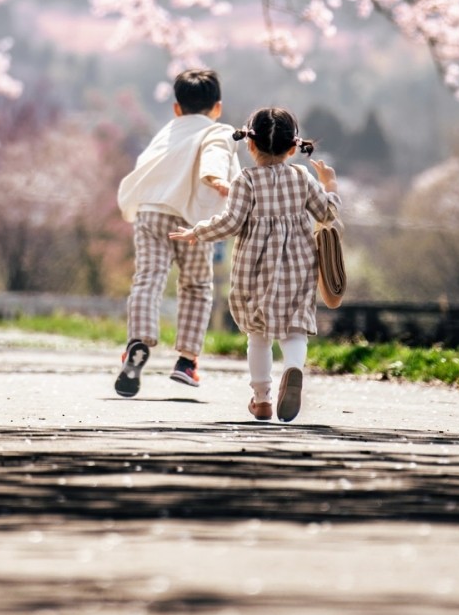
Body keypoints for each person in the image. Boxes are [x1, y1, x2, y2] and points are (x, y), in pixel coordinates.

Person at [169, 106, 340, 423]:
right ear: (293, 148)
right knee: (295, 329)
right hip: (299, 268)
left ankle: (261, 398)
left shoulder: (245, 181)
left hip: (254, 270)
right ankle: (293, 369)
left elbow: (231, 222)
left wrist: (198, 232)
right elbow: (327, 213)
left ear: (250, 144)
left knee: (257, 334)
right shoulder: (301, 178)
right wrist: (330, 184)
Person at [114, 68, 240, 397]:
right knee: (197, 285)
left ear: (176, 108)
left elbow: (144, 164)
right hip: (191, 219)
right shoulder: (219, 131)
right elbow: (215, 157)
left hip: (151, 210)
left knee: (148, 277)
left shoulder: (167, 132)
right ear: (218, 107)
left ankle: (137, 342)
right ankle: (186, 361)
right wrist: (216, 181)